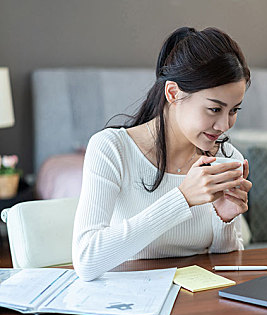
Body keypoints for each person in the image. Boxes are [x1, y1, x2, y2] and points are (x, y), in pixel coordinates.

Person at [72, 27, 252, 281]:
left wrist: (224, 218)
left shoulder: (226, 156)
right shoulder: (111, 149)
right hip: (129, 307)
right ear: (173, 93)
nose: (224, 126)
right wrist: (182, 199)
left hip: (200, 310)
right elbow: (86, 260)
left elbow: (224, 266)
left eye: (234, 110)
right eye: (214, 109)